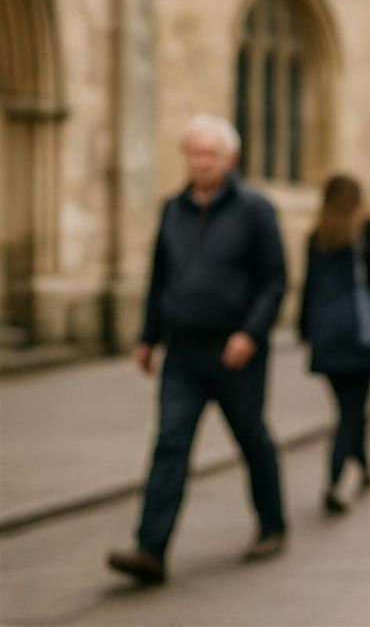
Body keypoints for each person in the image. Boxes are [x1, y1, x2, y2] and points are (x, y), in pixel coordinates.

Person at [107, 114, 287, 584]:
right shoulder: (173, 209)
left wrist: (251, 333)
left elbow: (274, 280)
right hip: (183, 353)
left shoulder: (255, 209)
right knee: (170, 444)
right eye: (192, 154)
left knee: (251, 438)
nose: (199, 162)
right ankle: (150, 551)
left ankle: (272, 525)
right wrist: (147, 338)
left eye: (208, 155)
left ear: (230, 159)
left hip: (236, 353)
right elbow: (159, 278)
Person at [299, 175, 370, 514]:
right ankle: (333, 482)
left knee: (348, 408)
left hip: (327, 336)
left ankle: (360, 469)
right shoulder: (368, 231)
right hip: (361, 337)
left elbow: (308, 290)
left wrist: (307, 332)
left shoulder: (317, 235)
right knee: (351, 411)